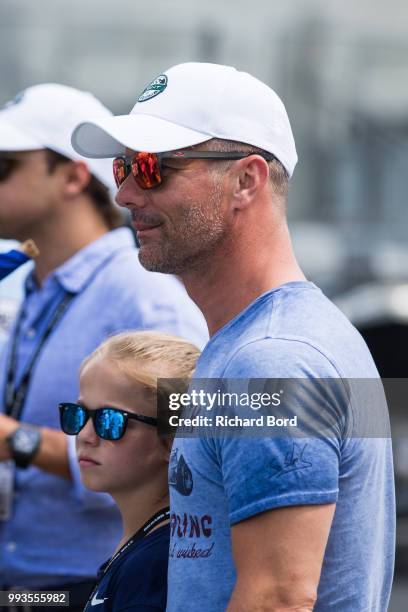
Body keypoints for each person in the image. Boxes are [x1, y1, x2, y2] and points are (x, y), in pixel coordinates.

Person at [72, 62, 395, 611]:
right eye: (122, 167)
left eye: (152, 169)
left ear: (247, 179)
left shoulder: (272, 357)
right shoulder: (269, 339)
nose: (124, 193)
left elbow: (276, 598)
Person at [0, 83, 207, 609]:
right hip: (28, 583)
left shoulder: (144, 291)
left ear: (71, 176)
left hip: (94, 584)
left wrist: (20, 441)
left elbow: (180, 452)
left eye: (5, 166)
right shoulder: (28, 283)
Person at [59, 330, 200, 612]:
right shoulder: (149, 543)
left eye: (110, 421)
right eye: (78, 413)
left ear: (171, 441)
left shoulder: (156, 566)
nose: (85, 435)